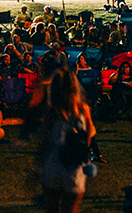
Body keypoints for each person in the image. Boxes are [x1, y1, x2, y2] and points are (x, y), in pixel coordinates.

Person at [40, 69, 97, 213]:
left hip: (54, 160)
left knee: (51, 207)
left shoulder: (52, 111)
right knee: (70, 208)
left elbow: (45, 138)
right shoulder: (83, 109)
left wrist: (38, 164)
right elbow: (91, 132)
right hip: (75, 164)